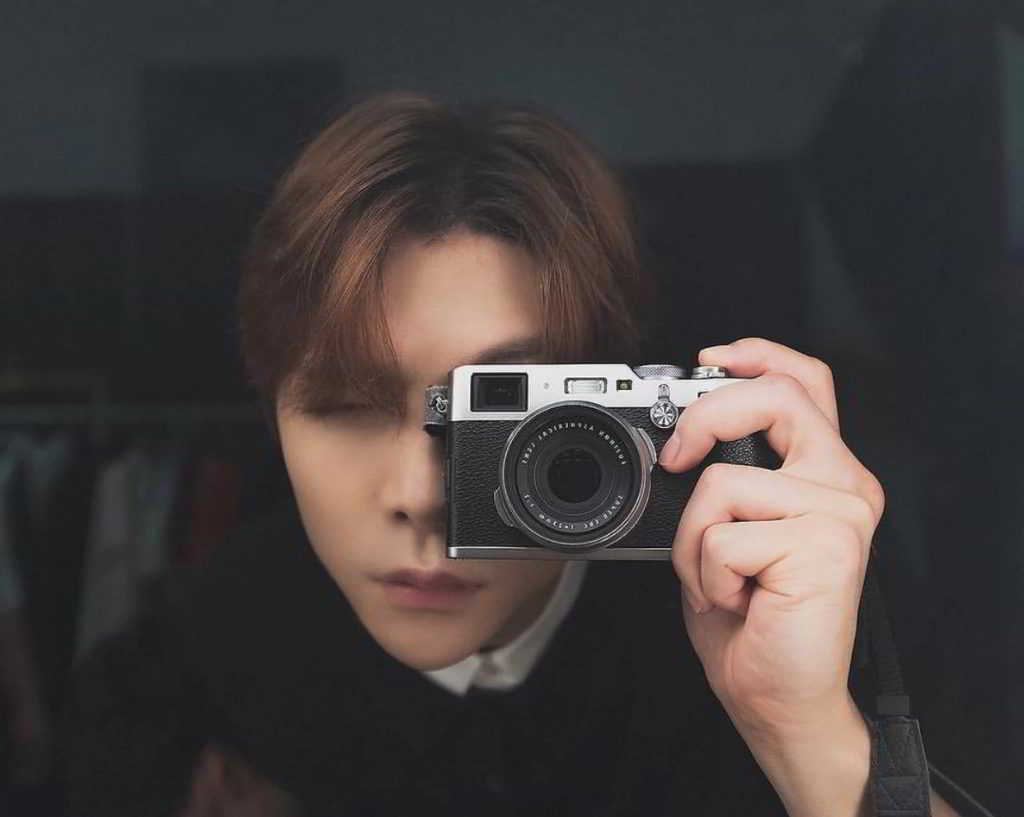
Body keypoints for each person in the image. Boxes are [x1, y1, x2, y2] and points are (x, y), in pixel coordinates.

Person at [66, 92, 984, 816]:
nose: (421, 493)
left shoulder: (785, 612)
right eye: (346, 405)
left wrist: (807, 734)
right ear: (271, 408)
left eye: (497, 411)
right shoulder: (202, 652)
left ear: (615, 401)